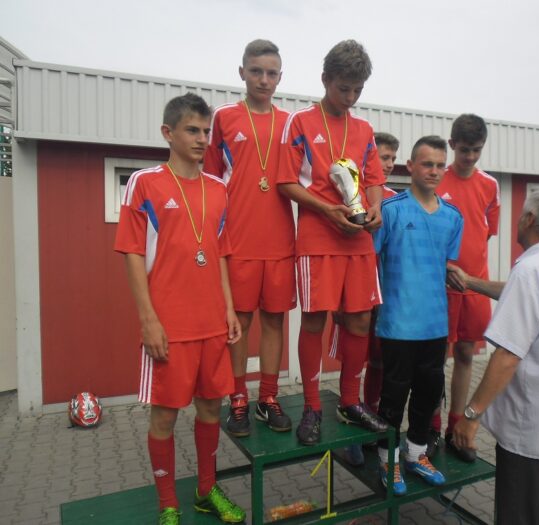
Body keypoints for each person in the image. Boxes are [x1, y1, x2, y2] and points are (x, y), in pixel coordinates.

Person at [115, 93, 245, 524]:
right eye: (192, 130)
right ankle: (168, 504)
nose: (202, 138)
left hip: (212, 323)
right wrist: (148, 320)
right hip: (169, 326)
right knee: (164, 416)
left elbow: (220, 253)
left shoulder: (219, 188)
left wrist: (229, 309)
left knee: (210, 410)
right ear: (168, 133)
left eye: (206, 131)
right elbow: (132, 253)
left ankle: (206, 491)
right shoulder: (144, 183)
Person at [451, 189, 539, 524]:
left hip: (530, 426)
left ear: (528, 220)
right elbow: (517, 292)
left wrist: (471, 415)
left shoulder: (531, 271)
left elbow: (507, 356)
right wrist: (471, 282)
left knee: (520, 514)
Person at [278, 39, 389, 446]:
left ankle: (349, 401)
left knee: (359, 321)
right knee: (314, 321)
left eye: (358, 89)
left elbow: (374, 179)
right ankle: (312, 405)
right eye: (344, 88)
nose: (351, 97)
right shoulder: (300, 122)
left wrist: (375, 208)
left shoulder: (364, 130)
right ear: (325, 79)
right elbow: (285, 181)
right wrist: (327, 210)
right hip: (318, 237)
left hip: (358, 241)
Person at [203, 39, 296, 437]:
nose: (263, 79)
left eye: (271, 73)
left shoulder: (290, 122)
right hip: (237, 241)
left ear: (280, 77)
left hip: (279, 242)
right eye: (256, 71)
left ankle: (268, 398)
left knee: (274, 321)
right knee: (238, 323)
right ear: (242, 72)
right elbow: (209, 181)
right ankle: (238, 398)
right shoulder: (223, 118)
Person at [373, 136, 463, 496]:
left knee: (428, 394)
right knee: (393, 397)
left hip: (434, 325)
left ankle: (416, 454)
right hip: (397, 323)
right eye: (427, 164)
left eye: (440, 165)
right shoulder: (390, 211)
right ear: (410, 167)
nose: (434, 171)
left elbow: (447, 267)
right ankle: (388, 458)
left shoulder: (453, 217)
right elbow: (370, 262)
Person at [429, 113, 500, 462]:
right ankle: (429, 428)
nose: (470, 157)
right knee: (434, 358)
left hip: (475, 288)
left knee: (466, 355)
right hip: (439, 287)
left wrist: (470, 274)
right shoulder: (437, 179)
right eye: (464, 150)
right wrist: (444, 266)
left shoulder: (490, 185)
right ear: (452, 145)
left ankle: (456, 429)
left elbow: (485, 234)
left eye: (477, 150)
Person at [332, 132, 399, 466]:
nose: (388, 164)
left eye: (391, 158)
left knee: (380, 361)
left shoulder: (396, 200)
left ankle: (371, 419)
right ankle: (351, 418)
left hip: (386, 294)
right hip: (355, 290)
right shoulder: (350, 194)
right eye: (382, 157)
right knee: (354, 357)